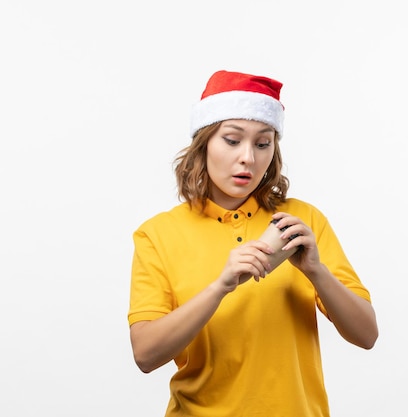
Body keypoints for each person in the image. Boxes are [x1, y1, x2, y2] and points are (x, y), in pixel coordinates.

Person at [128, 70, 378, 416]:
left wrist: (316, 271)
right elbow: (145, 354)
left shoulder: (302, 221)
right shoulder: (158, 234)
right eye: (232, 140)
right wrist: (220, 286)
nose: (248, 157)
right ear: (204, 144)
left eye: (263, 143)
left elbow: (366, 335)